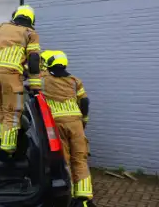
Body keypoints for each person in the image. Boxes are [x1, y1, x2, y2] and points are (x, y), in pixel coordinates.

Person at [28, 51, 95, 207]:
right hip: (76, 123)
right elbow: (84, 102)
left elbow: (30, 86)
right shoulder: (74, 81)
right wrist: (84, 121)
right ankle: (84, 198)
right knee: (80, 158)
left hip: (57, 123)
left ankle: (69, 197)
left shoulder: (43, 80)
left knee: (64, 161)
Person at [0, 5, 41, 153]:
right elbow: (34, 60)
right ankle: (8, 151)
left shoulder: (0, 27)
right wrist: (35, 87)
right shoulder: (30, 33)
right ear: (31, 19)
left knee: (0, 108)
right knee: (12, 112)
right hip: (11, 74)